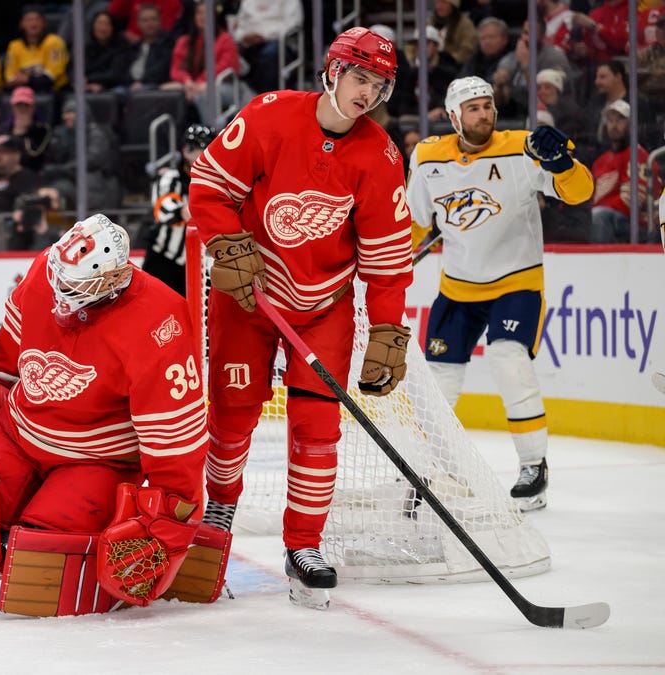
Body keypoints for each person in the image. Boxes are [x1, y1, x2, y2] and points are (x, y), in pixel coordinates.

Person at [0, 214, 212, 614]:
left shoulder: (160, 321)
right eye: (59, 278)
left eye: (75, 287)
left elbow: (174, 438)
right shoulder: (46, 269)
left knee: (41, 552)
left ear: (113, 279)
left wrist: (169, 521)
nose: (60, 292)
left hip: (94, 460)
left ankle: (54, 535)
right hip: (18, 435)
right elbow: (11, 350)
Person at [187, 27, 413, 609]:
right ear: (332, 72)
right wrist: (228, 246)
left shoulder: (381, 156)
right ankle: (218, 512)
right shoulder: (269, 115)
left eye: (379, 85)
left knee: (318, 429)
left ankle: (304, 544)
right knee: (233, 416)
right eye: (359, 78)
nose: (367, 93)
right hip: (249, 297)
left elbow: (387, 261)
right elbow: (209, 187)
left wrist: (387, 330)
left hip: (323, 307)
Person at [406, 76, 594, 512]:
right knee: (439, 382)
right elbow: (415, 220)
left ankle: (533, 466)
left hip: (516, 282)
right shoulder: (428, 157)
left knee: (509, 361)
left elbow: (579, 192)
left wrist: (562, 165)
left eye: (488, 105)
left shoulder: (524, 148)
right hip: (457, 287)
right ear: (454, 117)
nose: (484, 114)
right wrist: (388, 258)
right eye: (473, 108)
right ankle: (430, 470)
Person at [141, 123, 213, 297]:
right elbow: (164, 211)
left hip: (201, 265)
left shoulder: (215, 181)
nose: (208, 155)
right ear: (186, 150)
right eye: (202, 150)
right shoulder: (170, 178)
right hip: (165, 262)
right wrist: (192, 211)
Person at [589, 100, 650, 244]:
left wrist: (598, 209)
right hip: (601, 217)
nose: (614, 125)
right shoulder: (600, 161)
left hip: (630, 222)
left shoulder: (638, 154)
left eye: (620, 120)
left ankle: (600, 257)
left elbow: (633, 199)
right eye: (610, 120)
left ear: (631, 125)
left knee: (598, 216)